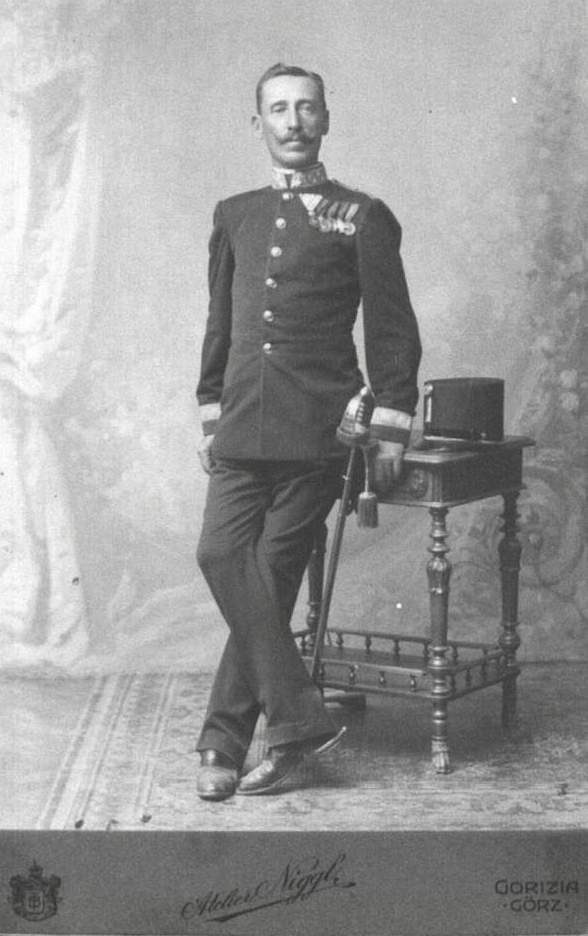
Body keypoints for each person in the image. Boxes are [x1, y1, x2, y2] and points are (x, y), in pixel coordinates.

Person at [195, 63, 422, 800]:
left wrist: (390, 426)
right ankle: (298, 720)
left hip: (318, 434)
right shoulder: (235, 214)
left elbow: (391, 328)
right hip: (241, 428)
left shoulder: (363, 216)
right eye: (278, 109)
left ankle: (222, 743)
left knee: (266, 580)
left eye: (306, 108)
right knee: (222, 555)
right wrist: (211, 411)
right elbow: (221, 324)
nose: (292, 122)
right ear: (256, 122)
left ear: (325, 118)